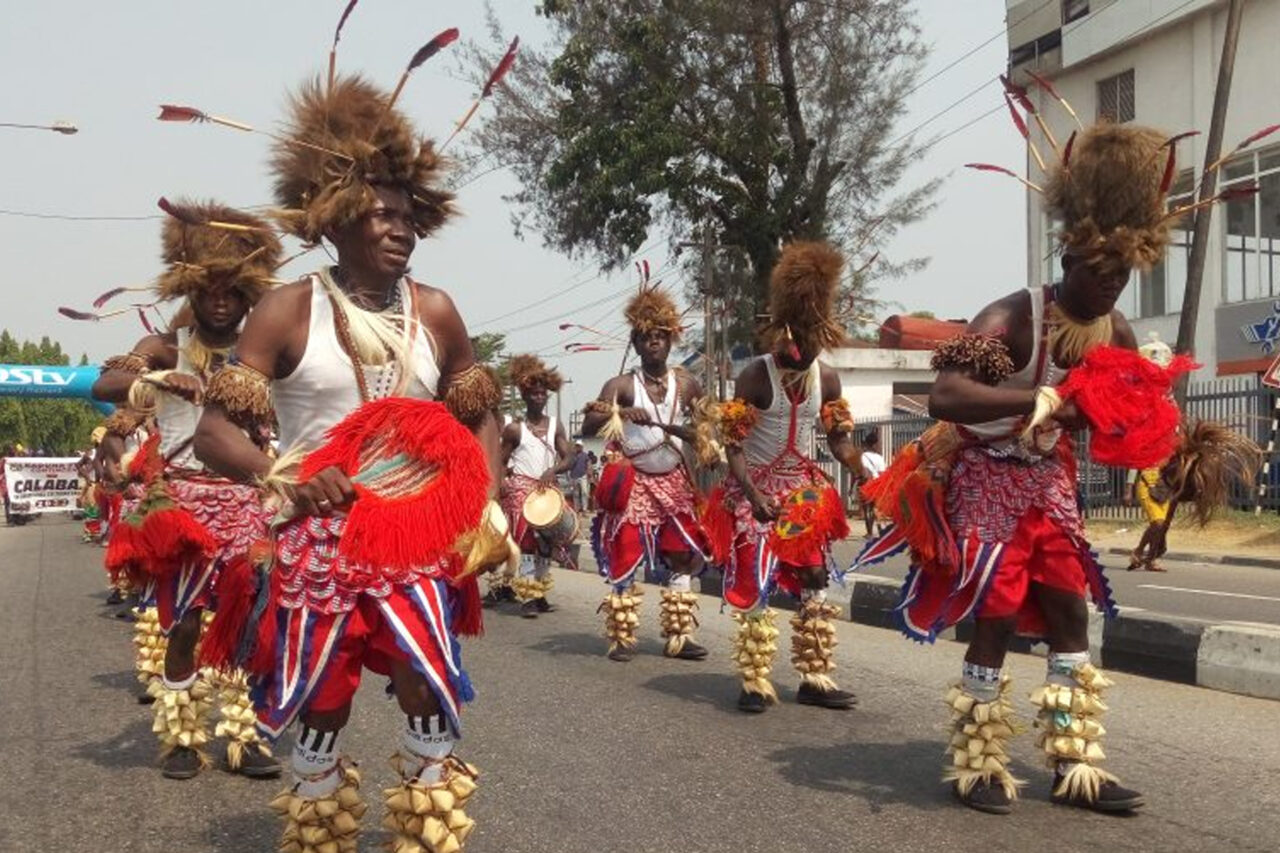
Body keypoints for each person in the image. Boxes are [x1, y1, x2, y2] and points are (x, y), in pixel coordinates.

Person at [193, 65, 503, 853]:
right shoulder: (288, 309)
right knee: (322, 706)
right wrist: (285, 476)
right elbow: (213, 433)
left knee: (427, 686)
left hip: (416, 540)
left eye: (408, 216)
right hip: (319, 546)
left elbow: (482, 414)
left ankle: (428, 832)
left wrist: (488, 502)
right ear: (336, 222)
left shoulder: (435, 311)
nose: (401, 228)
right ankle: (319, 828)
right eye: (381, 215)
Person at [855, 123, 1187, 815]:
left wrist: (1160, 446)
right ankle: (978, 761)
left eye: (1122, 276)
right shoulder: (1013, 315)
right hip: (987, 475)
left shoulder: (1115, 331)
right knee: (999, 613)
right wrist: (1034, 398)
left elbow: (1122, 417)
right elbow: (946, 395)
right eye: (1101, 274)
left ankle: (1074, 763)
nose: (1110, 288)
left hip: (1050, 485)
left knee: (1071, 609)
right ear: (1068, 258)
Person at [92, 200, 283, 781]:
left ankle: (243, 734)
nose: (220, 301)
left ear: (249, 294)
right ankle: (181, 736)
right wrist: (155, 378)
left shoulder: (265, 351)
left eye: (232, 291)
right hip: (186, 507)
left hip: (250, 503)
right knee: (185, 623)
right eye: (209, 291)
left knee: (249, 623)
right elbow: (106, 380)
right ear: (192, 292)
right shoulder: (165, 348)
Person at [702, 241, 863, 712]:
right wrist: (751, 495)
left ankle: (815, 676)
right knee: (756, 574)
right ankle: (754, 680)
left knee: (814, 571)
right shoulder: (756, 376)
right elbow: (733, 447)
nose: (806, 348)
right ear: (786, 331)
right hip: (755, 489)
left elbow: (839, 440)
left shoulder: (827, 379)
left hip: (801, 493)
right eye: (800, 337)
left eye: (815, 340)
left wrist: (859, 468)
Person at [581, 279, 711, 662]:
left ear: (671, 341)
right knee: (627, 552)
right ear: (635, 344)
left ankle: (680, 635)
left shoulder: (686, 384)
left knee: (683, 553)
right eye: (645, 337)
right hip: (634, 479)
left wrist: (699, 436)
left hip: (673, 480)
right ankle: (621, 635)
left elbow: (709, 424)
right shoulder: (620, 385)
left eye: (660, 336)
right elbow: (588, 425)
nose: (653, 342)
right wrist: (619, 412)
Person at [500, 354, 573, 617]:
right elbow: (501, 460)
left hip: (546, 490)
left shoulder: (555, 426)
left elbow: (569, 456)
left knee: (547, 544)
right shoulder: (515, 429)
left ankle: (540, 593)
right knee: (528, 543)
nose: (538, 398)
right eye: (533, 394)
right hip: (521, 490)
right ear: (525, 396)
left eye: (542, 394)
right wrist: (502, 483)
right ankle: (527, 597)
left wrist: (553, 470)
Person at [858, 431, 886, 538]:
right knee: (875, 507)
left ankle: (869, 532)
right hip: (877, 484)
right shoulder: (880, 457)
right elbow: (882, 474)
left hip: (866, 484)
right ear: (874, 444)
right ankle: (879, 529)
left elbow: (859, 472)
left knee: (866, 509)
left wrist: (852, 488)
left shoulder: (862, 457)